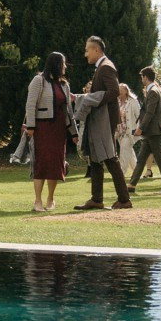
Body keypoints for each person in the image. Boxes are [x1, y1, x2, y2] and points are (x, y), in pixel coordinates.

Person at [73, 36, 131, 211]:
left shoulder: (106, 67)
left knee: (108, 157)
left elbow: (114, 91)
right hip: (102, 120)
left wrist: (93, 100)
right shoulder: (103, 67)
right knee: (96, 158)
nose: (85, 54)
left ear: (96, 50)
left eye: (87, 50)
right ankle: (96, 199)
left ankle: (124, 199)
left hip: (104, 120)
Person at [25, 51, 72, 212]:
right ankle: (37, 201)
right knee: (41, 163)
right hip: (42, 128)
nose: (65, 67)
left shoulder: (64, 84)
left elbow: (69, 111)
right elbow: (31, 105)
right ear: (57, 64)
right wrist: (31, 127)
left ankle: (50, 198)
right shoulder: (39, 81)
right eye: (63, 63)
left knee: (56, 164)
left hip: (59, 130)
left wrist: (74, 133)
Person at [130, 66, 161, 194]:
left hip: (152, 131)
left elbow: (150, 113)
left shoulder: (153, 91)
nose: (141, 80)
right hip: (153, 130)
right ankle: (132, 185)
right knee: (142, 159)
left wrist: (140, 128)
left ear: (145, 77)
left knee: (160, 160)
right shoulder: (159, 90)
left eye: (142, 77)